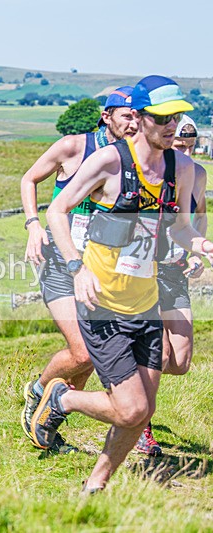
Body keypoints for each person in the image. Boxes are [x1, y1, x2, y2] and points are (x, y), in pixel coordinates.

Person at [33, 75, 213, 492]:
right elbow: (58, 211)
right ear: (140, 117)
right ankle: (62, 398)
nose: (172, 126)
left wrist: (201, 243)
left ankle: (95, 487)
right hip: (103, 304)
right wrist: (78, 268)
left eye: (178, 118)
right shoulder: (109, 162)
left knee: (142, 411)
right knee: (130, 410)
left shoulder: (182, 168)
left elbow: (182, 228)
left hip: (145, 304)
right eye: (163, 119)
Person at [19, 87, 141, 453]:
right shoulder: (74, 146)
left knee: (87, 362)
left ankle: (48, 425)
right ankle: (38, 392)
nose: (133, 122)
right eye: (127, 115)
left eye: (139, 116)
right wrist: (33, 224)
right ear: (107, 116)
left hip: (100, 267)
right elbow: (29, 179)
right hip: (58, 260)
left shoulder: (132, 157)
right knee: (83, 351)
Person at [139, 115, 209, 456]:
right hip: (142, 270)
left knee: (179, 361)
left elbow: (200, 215)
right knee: (159, 353)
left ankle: (125, 382)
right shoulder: (151, 170)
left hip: (174, 269)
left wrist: (198, 251)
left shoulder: (196, 174)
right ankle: (140, 422)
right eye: (179, 146)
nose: (185, 152)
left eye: (191, 147)